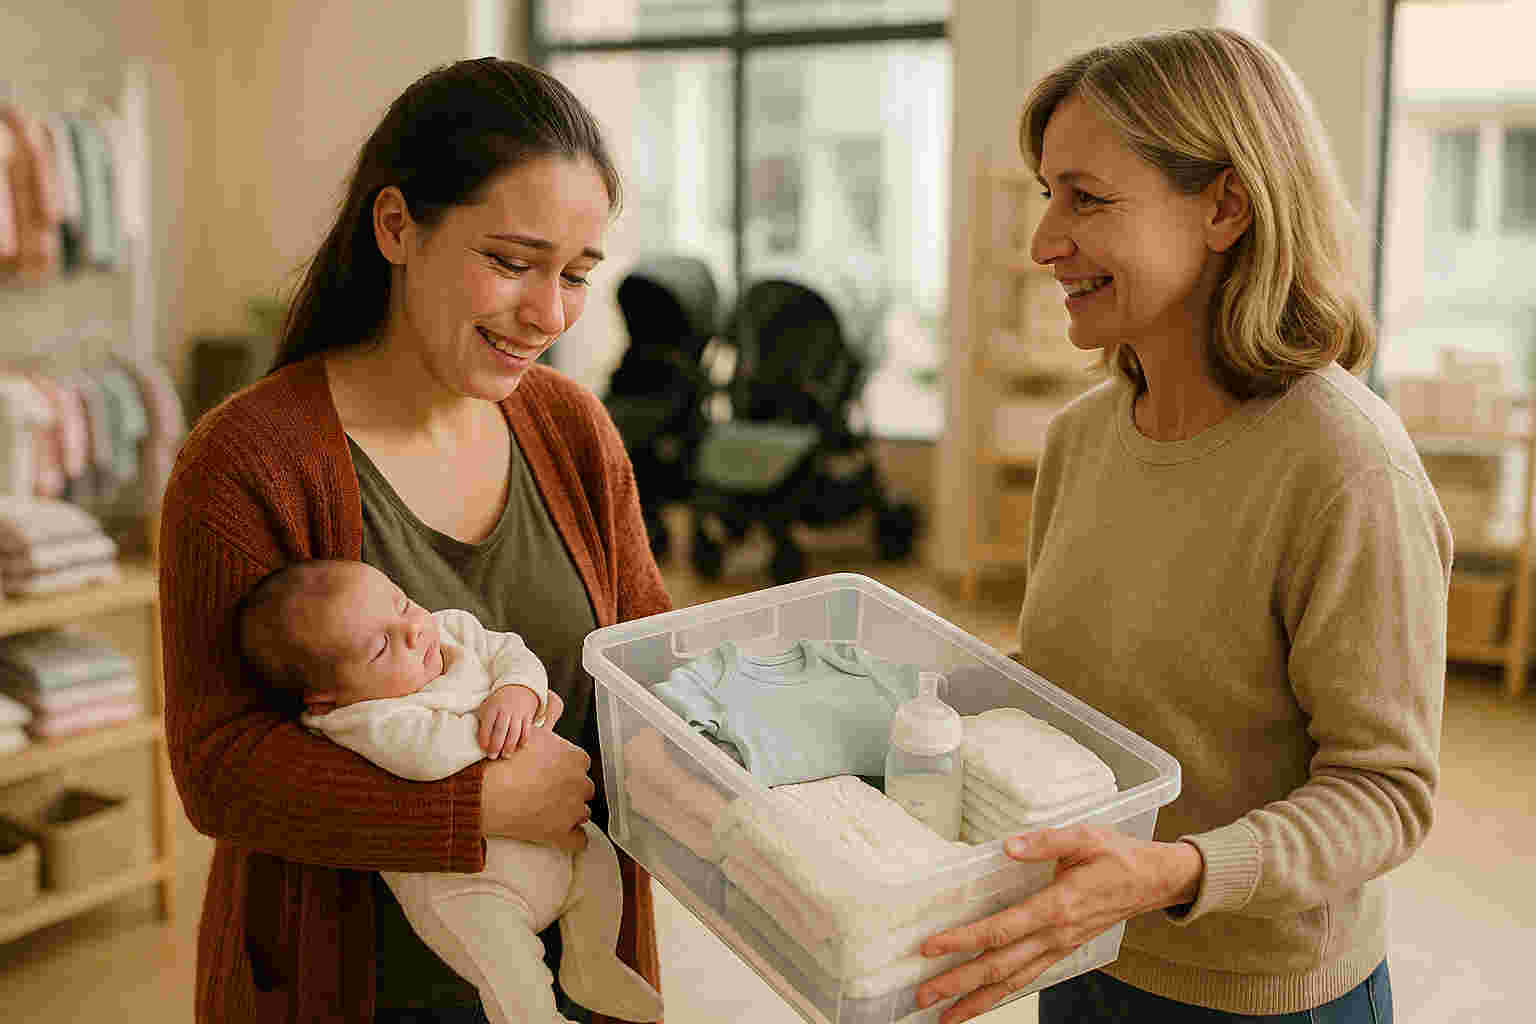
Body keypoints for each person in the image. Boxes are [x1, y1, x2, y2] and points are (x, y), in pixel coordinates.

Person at [915, 27, 1449, 1024]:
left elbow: (1385, 793)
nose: (1043, 242)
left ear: (1226, 206)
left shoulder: (1343, 462)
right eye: (1047, 195)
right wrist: (900, 697)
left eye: (1087, 197)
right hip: (1082, 947)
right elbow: (1083, 682)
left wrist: (1177, 870)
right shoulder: (1085, 436)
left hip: (1259, 995)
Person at [158, 58, 669, 1024]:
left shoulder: (572, 428)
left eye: (576, 275)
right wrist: (473, 809)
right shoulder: (247, 462)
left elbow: (647, 663)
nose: (549, 314)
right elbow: (221, 770)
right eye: (513, 263)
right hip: (347, 987)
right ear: (396, 227)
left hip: (578, 976)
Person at [235, 558, 664, 1024]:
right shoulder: (363, 720)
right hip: (469, 885)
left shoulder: (451, 629)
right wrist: (515, 736)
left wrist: (519, 692)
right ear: (326, 698)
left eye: (401, 604)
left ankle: (592, 963)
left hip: (555, 842)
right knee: (506, 965)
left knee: (597, 857)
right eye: (381, 647)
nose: (413, 631)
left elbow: (511, 652)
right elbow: (427, 758)